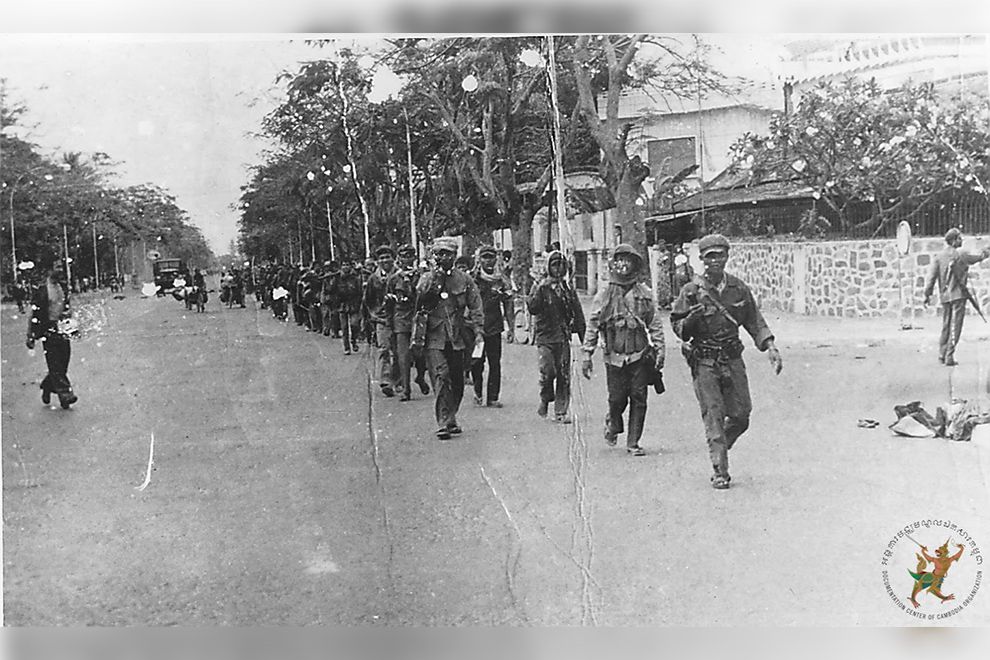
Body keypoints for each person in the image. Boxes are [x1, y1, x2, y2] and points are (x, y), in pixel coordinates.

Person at [670, 234, 783, 489]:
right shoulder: (691, 291)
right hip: (706, 362)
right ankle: (720, 470)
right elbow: (678, 326)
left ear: (727, 257)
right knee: (714, 415)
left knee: (742, 415)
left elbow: (754, 321)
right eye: (710, 257)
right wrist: (692, 319)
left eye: (720, 255)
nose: (715, 261)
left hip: (732, 359)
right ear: (702, 260)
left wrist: (770, 347)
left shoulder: (738, 288)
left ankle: (720, 445)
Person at [581, 244, 664, 455]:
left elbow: (654, 323)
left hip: (639, 356)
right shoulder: (605, 294)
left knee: (639, 398)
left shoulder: (644, 293)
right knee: (617, 399)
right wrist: (587, 354)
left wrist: (661, 349)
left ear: (636, 264)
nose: (624, 265)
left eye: (629, 260)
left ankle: (633, 441)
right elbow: (593, 323)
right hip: (614, 357)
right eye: (620, 260)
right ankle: (613, 422)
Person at [414, 237, 484, 440]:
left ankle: (451, 416)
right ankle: (443, 421)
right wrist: (434, 281)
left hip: (457, 336)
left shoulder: (464, 279)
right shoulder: (426, 278)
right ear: (434, 256)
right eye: (440, 253)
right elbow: (419, 305)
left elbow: (476, 305)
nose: (444, 257)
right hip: (433, 336)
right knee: (441, 375)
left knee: (457, 381)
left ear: (454, 256)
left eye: (449, 254)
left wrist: (479, 330)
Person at [528, 250, 586, 423]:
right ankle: (546, 398)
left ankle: (561, 411)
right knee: (548, 372)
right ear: (548, 267)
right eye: (554, 265)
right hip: (545, 337)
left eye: (562, 265)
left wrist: (585, 341)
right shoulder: (541, 287)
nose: (559, 269)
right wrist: (539, 288)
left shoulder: (568, 289)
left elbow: (578, 313)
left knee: (563, 374)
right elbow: (532, 308)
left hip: (562, 336)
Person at [923, 228, 990, 366]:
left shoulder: (939, 256)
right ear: (953, 241)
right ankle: (949, 356)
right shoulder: (961, 255)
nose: (962, 240)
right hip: (958, 296)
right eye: (959, 238)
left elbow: (931, 278)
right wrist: (987, 251)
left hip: (945, 297)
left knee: (946, 325)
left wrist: (927, 295)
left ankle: (941, 354)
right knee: (956, 326)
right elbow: (979, 257)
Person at [26, 259, 78, 409]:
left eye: (62, 267)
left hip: (62, 329)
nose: (61, 270)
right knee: (55, 364)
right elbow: (33, 314)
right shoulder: (42, 290)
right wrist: (30, 335)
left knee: (63, 363)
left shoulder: (63, 287)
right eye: (57, 267)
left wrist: (72, 324)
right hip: (48, 330)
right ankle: (66, 395)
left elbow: (68, 308)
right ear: (49, 270)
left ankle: (47, 386)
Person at [470, 245, 515, 408]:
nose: (488, 261)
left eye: (491, 257)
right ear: (479, 259)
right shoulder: (473, 279)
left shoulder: (501, 280)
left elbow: (508, 304)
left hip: (495, 326)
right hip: (476, 328)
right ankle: (477, 392)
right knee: (476, 362)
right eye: (485, 257)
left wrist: (511, 328)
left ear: (496, 259)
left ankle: (493, 397)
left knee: (494, 362)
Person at [386, 244, 430, 401]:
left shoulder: (423, 276)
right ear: (399, 258)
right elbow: (389, 303)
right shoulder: (394, 279)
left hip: (418, 318)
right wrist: (389, 324)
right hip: (400, 319)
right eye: (404, 256)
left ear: (414, 257)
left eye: (410, 255)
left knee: (420, 354)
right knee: (403, 356)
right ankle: (406, 389)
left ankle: (420, 377)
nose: (407, 259)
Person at [364, 245, 398, 397]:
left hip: (399, 318)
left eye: (387, 257)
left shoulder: (400, 275)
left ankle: (398, 380)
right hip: (382, 319)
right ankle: (386, 381)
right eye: (381, 258)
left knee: (399, 352)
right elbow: (368, 299)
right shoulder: (373, 278)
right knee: (384, 349)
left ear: (393, 259)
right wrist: (374, 314)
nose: (385, 261)